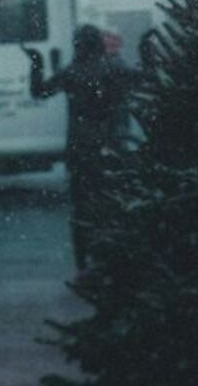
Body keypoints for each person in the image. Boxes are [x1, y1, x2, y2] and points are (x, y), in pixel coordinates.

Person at [25, 25, 135, 270]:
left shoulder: (72, 72)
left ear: (78, 46)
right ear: (99, 43)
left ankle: (82, 262)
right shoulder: (114, 68)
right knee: (112, 202)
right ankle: (111, 257)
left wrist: (36, 62)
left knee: (81, 206)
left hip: (80, 148)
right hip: (111, 146)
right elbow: (144, 80)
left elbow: (39, 92)